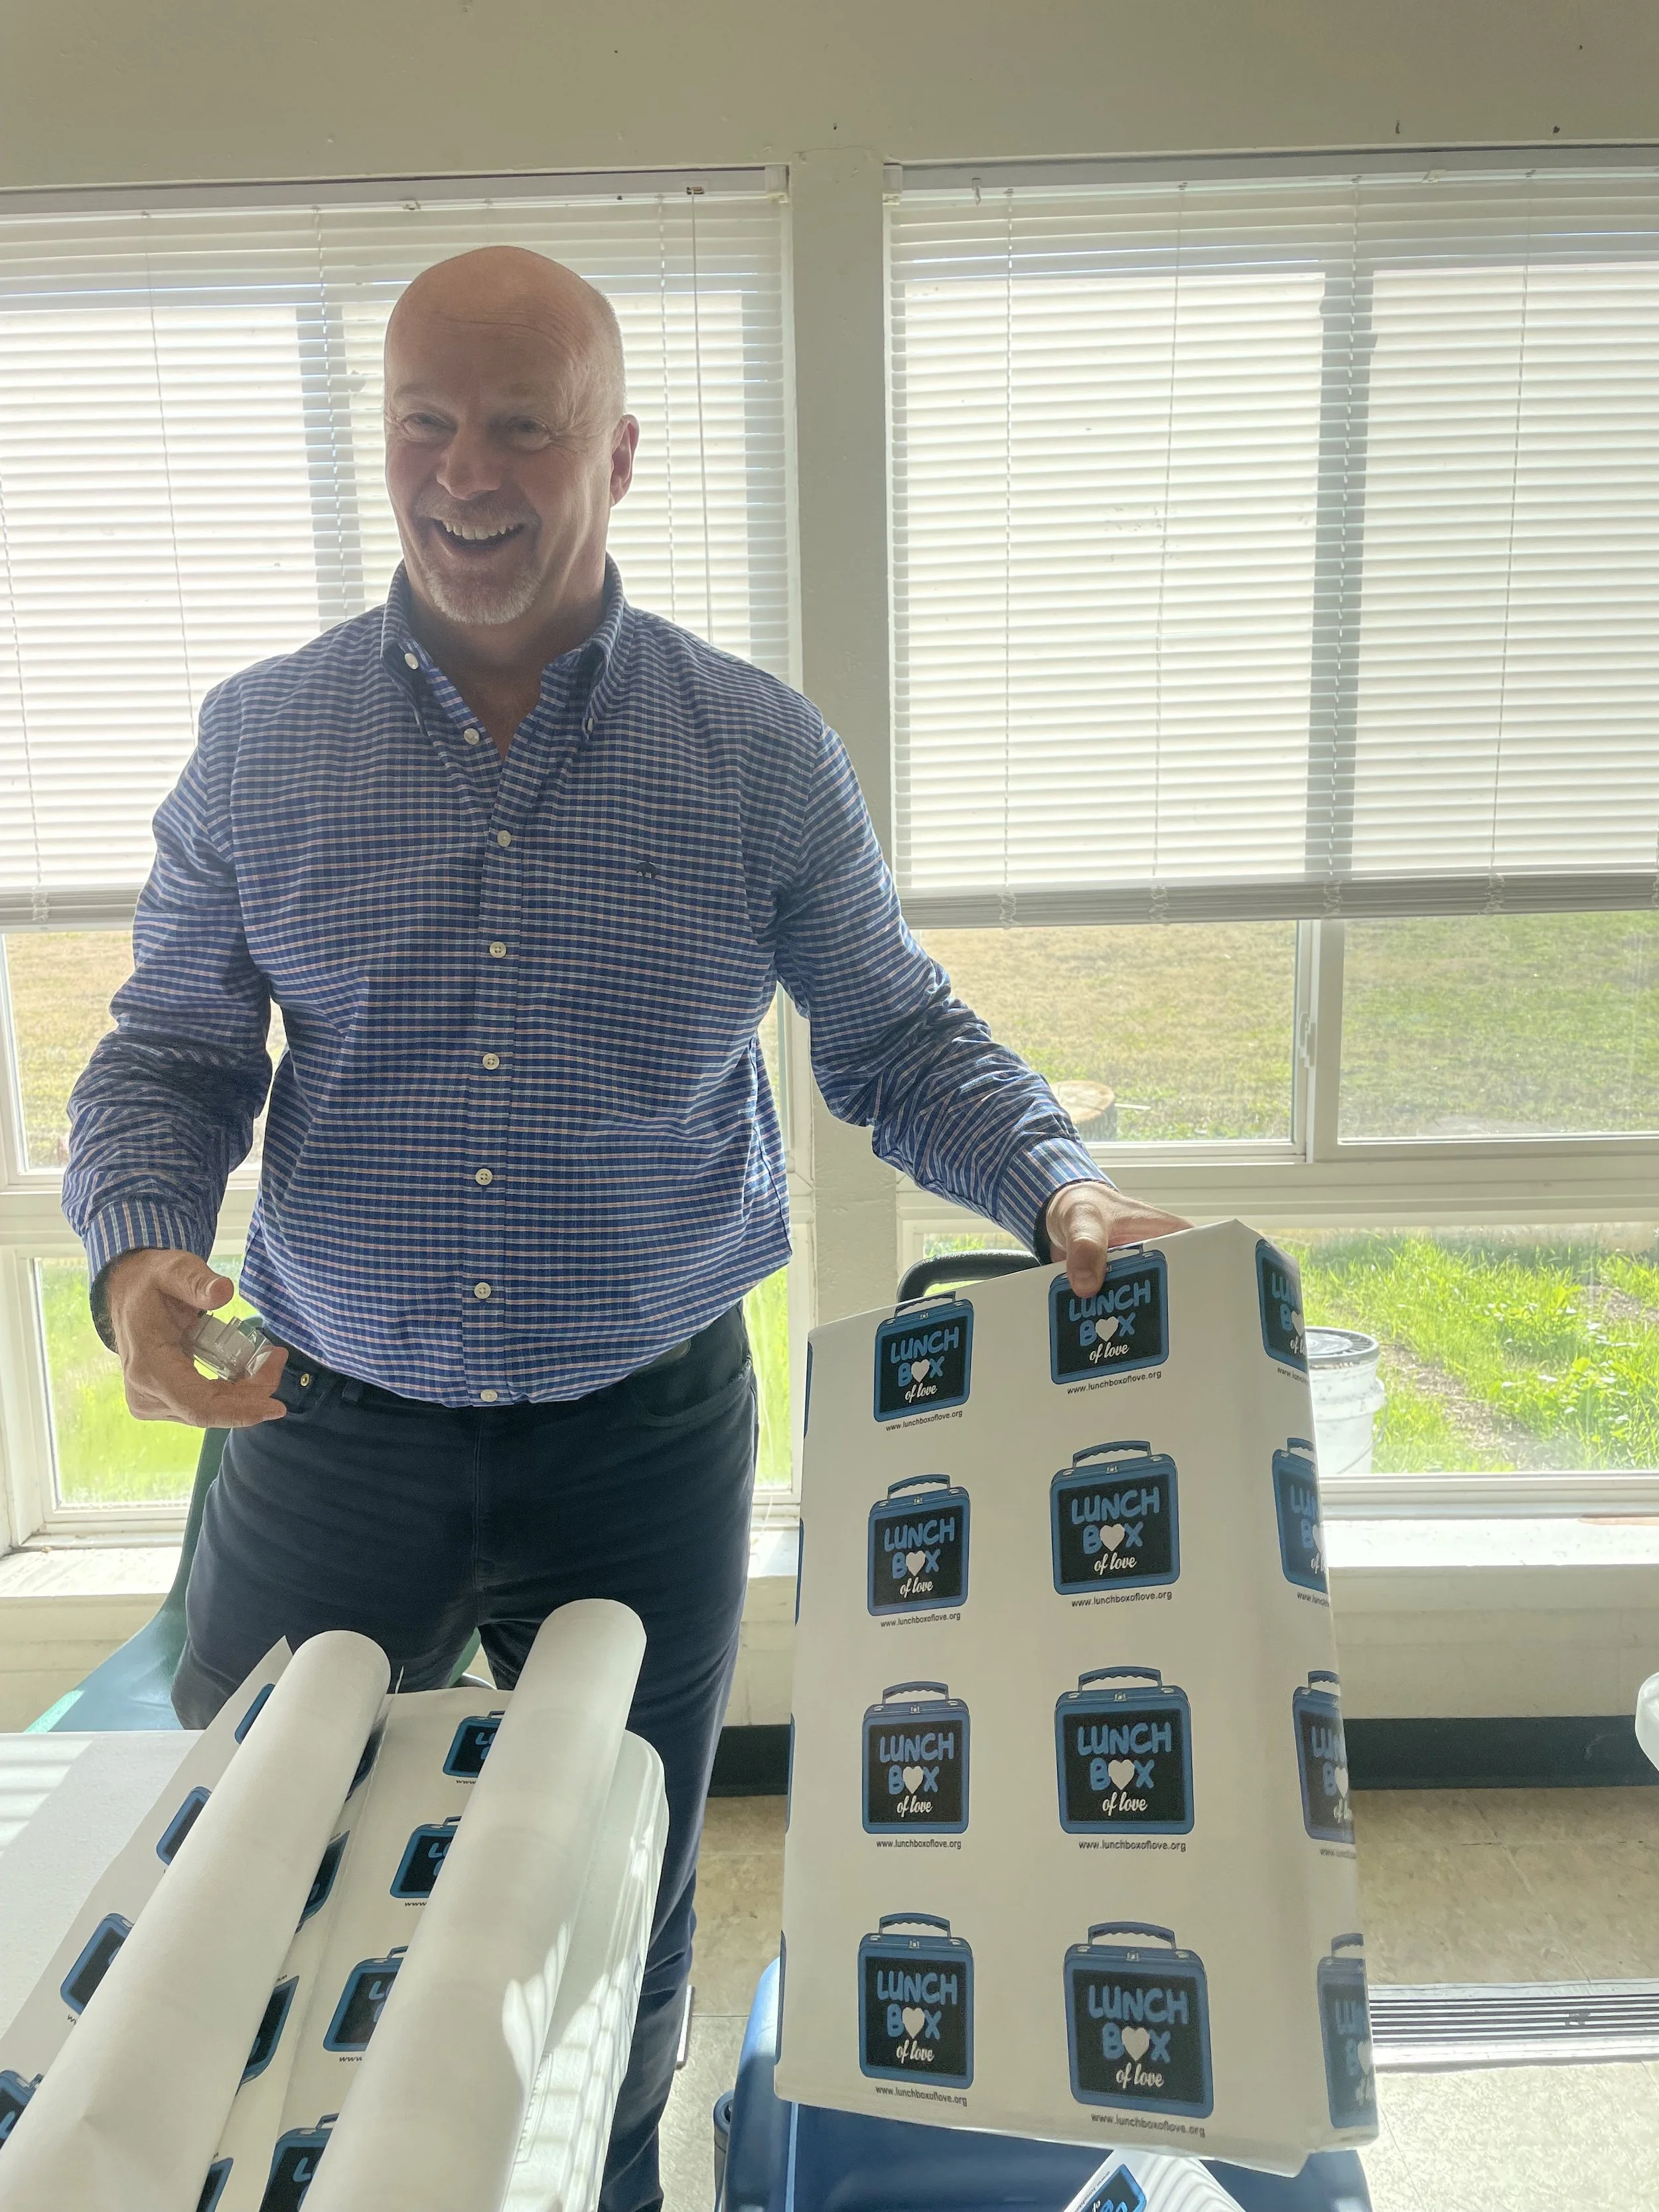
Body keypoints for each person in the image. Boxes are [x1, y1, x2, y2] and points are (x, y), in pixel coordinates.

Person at [63, 246, 1189, 2211]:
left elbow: (895, 1028)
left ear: (621, 452)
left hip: (643, 1431)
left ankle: (607, 2188)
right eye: (426, 417)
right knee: (245, 1862)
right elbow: (169, 1045)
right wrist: (142, 1247)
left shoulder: (751, 753)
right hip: (325, 1427)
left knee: (616, 1875)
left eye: (524, 423)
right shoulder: (262, 740)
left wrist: (1054, 1184)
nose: (466, 472)